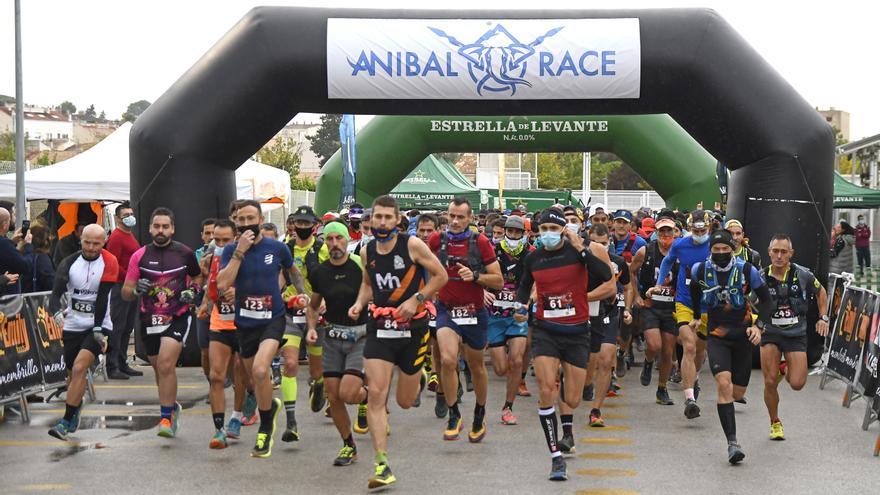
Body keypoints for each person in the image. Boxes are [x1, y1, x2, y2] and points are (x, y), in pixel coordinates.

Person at [348, 194, 447, 489]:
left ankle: (418, 378)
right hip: (379, 328)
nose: (381, 222)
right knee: (377, 395)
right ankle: (382, 463)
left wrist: (416, 300)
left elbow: (440, 276)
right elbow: (368, 284)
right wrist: (358, 303)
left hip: (412, 330)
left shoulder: (413, 245)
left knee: (404, 402)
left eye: (387, 217)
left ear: (398, 220)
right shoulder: (367, 251)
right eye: (377, 217)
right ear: (371, 219)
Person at [514, 207, 612, 481]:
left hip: (578, 332)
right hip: (546, 330)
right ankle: (556, 457)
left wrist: (581, 248)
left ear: (563, 231)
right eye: (543, 229)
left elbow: (605, 276)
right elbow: (524, 285)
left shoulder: (577, 254)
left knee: (572, 398)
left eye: (553, 229)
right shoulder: (533, 258)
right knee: (546, 388)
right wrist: (521, 304)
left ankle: (567, 421)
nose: (547, 234)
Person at [218, 200, 305, 458]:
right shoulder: (231, 250)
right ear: (235, 222)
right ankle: (270, 408)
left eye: (250, 219)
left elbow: (294, 273)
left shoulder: (277, 248)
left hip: (273, 318)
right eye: (241, 220)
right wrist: (239, 252)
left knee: (259, 369)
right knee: (255, 381)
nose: (246, 225)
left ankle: (265, 428)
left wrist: (306, 297)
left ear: (259, 218)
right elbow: (223, 283)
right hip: (245, 322)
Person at [689, 229, 773, 464]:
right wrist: (697, 315)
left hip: (743, 336)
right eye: (716, 250)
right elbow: (695, 289)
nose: (721, 253)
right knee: (723, 385)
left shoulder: (747, 270)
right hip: (717, 336)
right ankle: (732, 444)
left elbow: (767, 301)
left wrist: (759, 327)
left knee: (737, 392)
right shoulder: (700, 269)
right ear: (710, 251)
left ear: (733, 249)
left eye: (725, 249)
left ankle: (729, 404)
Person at [428, 197, 504, 444]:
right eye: (451, 215)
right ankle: (454, 414)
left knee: (476, 366)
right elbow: (425, 271)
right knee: (448, 360)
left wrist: (476, 276)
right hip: (446, 310)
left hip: (474, 311)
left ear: (470, 219)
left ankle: (479, 413)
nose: (455, 221)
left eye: (461, 217)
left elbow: (499, 281)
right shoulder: (436, 241)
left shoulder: (480, 242)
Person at [122, 207, 202, 439]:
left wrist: (194, 290)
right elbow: (126, 291)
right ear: (149, 228)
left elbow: (197, 276)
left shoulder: (185, 253)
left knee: (166, 365)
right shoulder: (140, 255)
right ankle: (171, 406)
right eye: (157, 226)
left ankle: (165, 417)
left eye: (165, 226)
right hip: (149, 318)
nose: (160, 230)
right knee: (159, 369)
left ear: (172, 229)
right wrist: (137, 289)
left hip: (177, 315)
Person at [304, 221, 369, 466]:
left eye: (338, 239)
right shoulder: (320, 272)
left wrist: (361, 304)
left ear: (346, 240)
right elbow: (312, 306)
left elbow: (373, 290)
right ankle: (348, 445)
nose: (334, 244)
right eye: (329, 239)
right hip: (332, 337)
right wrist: (311, 328)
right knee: (333, 396)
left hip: (359, 336)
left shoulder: (358, 265)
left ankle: (366, 397)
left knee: (349, 393)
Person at [47, 224, 118, 440]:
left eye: (96, 243)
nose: (91, 247)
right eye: (87, 242)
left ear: (104, 242)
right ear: (81, 240)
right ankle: (76, 407)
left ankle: (65, 423)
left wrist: (97, 329)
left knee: (79, 368)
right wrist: (56, 314)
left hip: (99, 324)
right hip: (73, 324)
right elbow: (55, 294)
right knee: (71, 374)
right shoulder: (69, 262)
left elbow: (102, 298)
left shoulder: (110, 261)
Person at [760, 234, 829, 440]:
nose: (779, 256)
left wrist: (823, 317)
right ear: (769, 252)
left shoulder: (803, 274)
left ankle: (785, 368)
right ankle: (775, 422)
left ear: (791, 254)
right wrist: (755, 322)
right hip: (770, 333)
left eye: (784, 252)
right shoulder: (760, 276)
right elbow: (748, 300)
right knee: (770, 381)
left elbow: (821, 292)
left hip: (795, 333)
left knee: (797, 383)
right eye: (775, 251)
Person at [656, 209, 712, 419]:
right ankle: (689, 399)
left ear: (709, 228)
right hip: (685, 303)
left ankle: (694, 377)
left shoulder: (716, 245)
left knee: (699, 350)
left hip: (708, 305)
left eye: (703, 230)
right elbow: (667, 261)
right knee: (688, 345)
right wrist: (659, 283)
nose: (699, 234)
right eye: (696, 231)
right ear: (689, 229)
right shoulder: (680, 245)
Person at [280, 205, 329, 442]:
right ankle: (291, 422)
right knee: (289, 363)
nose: (301, 227)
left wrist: (325, 301)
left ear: (314, 225)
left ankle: (319, 384)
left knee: (316, 369)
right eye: (298, 223)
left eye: (305, 223)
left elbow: (332, 278)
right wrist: (281, 296)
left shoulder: (323, 249)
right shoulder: (284, 249)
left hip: (316, 314)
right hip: (290, 313)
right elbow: (277, 279)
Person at [198, 219, 249, 449]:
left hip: (244, 322)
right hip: (219, 320)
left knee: (241, 371)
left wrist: (238, 293)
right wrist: (205, 302)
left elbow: (261, 285)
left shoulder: (246, 257)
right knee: (217, 375)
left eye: (225, 240)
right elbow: (211, 287)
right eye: (215, 239)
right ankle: (218, 430)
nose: (219, 244)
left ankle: (237, 416)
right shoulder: (211, 258)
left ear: (236, 238)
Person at [583, 223, 632, 429]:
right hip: (580, 313)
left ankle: (596, 410)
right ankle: (583, 385)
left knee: (605, 360)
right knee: (582, 361)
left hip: (607, 314)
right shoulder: (579, 259)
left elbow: (628, 287)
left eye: (604, 244)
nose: (600, 248)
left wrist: (627, 309)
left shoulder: (618, 262)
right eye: (595, 243)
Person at [485, 215, 533, 426]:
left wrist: (530, 298)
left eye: (517, 232)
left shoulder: (530, 254)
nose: (513, 235)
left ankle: (508, 407)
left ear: (524, 234)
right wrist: (482, 292)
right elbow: (479, 275)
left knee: (516, 360)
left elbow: (537, 280)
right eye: (510, 231)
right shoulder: (492, 251)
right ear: (504, 232)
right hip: (495, 315)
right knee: (500, 369)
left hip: (517, 315)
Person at [630, 213, 678, 405]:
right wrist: (636, 296)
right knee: (655, 345)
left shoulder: (679, 251)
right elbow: (631, 272)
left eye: (669, 230)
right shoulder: (646, 251)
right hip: (651, 306)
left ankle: (662, 389)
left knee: (667, 352)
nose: (665, 234)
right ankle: (648, 362)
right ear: (656, 233)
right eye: (662, 230)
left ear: (675, 232)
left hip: (672, 308)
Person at [105, 202, 143, 379]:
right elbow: (113, 262)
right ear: (118, 218)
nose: (130, 217)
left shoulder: (129, 235)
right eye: (126, 214)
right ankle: (112, 365)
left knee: (127, 326)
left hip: (131, 286)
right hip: (121, 286)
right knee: (118, 326)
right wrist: (129, 276)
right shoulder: (117, 237)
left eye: (131, 213)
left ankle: (122, 362)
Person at [0, 207, 28, 296]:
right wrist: (27, 245)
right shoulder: (4, 244)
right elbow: (24, 266)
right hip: (6, 301)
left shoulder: (5, 243)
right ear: (4, 225)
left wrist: (12, 242)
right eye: (10, 219)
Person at [19, 223, 55, 293]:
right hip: (36, 301)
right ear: (45, 241)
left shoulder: (22, 255)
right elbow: (50, 283)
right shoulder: (42, 259)